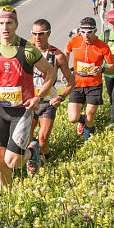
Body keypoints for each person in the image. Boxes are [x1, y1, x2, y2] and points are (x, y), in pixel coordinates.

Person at [0, 6, 56, 185]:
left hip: (22, 110)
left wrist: (39, 97)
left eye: (9, 23)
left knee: (12, 161)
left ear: (16, 24)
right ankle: (8, 195)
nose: (5, 27)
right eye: (2, 23)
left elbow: (50, 72)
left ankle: (32, 151)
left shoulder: (28, 50)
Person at [28, 19, 75, 162]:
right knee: (27, 140)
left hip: (48, 102)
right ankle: (34, 161)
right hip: (30, 102)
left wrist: (60, 97)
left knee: (43, 140)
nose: (37, 37)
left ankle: (46, 161)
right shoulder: (26, 51)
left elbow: (71, 82)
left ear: (48, 33)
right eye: (34, 34)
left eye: (41, 34)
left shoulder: (57, 55)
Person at [64, 16, 114, 142]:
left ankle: (88, 143)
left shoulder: (103, 47)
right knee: (72, 118)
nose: (86, 35)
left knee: (90, 115)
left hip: (94, 84)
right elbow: (66, 51)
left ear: (95, 31)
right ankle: (82, 121)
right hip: (77, 83)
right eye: (83, 32)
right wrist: (65, 69)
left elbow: (113, 68)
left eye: (89, 32)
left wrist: (102, 69)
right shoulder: (74, 41)